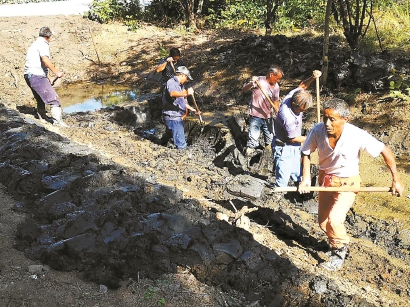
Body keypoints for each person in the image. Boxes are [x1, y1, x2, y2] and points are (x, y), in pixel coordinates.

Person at [298, 98, 404, 271]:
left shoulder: (356, 135)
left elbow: (385, 150)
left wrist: (396, 180)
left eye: (332, 119)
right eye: (325, 118)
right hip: (326, 180)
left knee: (335, 219)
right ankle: (335, 243)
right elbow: (306, 152)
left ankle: (339, 251)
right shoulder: (318, 130)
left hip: (348, 182)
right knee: (323, 223)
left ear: (345, 119)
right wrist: (305, 178)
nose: (327, 123)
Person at [273, 70, 322, 187]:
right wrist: (313, 138)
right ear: (295, 105)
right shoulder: (287, 117)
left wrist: (312, 77)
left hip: (294, 146)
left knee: (297, 173)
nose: (303, 112)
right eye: (302, 110)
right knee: (283, 177)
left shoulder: (293, 95)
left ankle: (298, 191)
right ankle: (278, 195)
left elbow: (302, 86)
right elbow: (293, 139)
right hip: (284, 147)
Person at [24, 26, 68, 127]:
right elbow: (45, 60)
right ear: (48, 36)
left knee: (40, 98)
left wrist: (49, 77)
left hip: (29, 75)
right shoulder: (43, 44)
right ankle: (58, 123)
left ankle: (43, 118)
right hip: (37, 76)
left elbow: (39, 63)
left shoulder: (34, 44)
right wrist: (57, 72)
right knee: (54, 99)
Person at [242, 66, 283, 156]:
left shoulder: (276, 86)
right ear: (271, 75)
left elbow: (275, 101)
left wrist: (278, 112)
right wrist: (251, 83)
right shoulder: (259, 80)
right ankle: (250, 153)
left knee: (270, 138)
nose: (278, 80)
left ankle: (268, 154)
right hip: (256, 115)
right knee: (254, 137)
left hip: (268, 116)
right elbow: (244, 89)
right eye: (278, 78)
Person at [162, 66, 201, 150]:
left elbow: (181, 101)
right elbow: (172, 93)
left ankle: (161, 144)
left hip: (174, 116)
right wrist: (186, 93)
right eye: (187, 78)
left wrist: (192, 109)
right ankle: (182, 156)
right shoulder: (171, 83)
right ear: (182, 75)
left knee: (170, 135)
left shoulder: (180, 86)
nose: (187, 81)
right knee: (181, 144)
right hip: (173, 116)